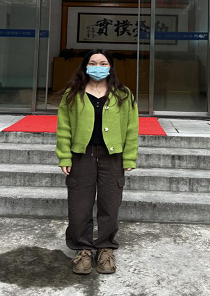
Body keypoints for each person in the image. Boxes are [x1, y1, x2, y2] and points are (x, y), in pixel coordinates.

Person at [55, 49, 139, 275]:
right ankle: (82, 249)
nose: (98, 67)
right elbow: (64, 127)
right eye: (93, 63)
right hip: (81, 156)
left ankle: (105, 248)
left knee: (110, 205)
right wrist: (64, 156)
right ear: (85, 66)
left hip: (112, 157)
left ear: (110, 67)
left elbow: (131, 128)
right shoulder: (73, 93)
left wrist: (129, 157)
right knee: (79, 205)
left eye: (103, 63)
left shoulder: (123, 94)